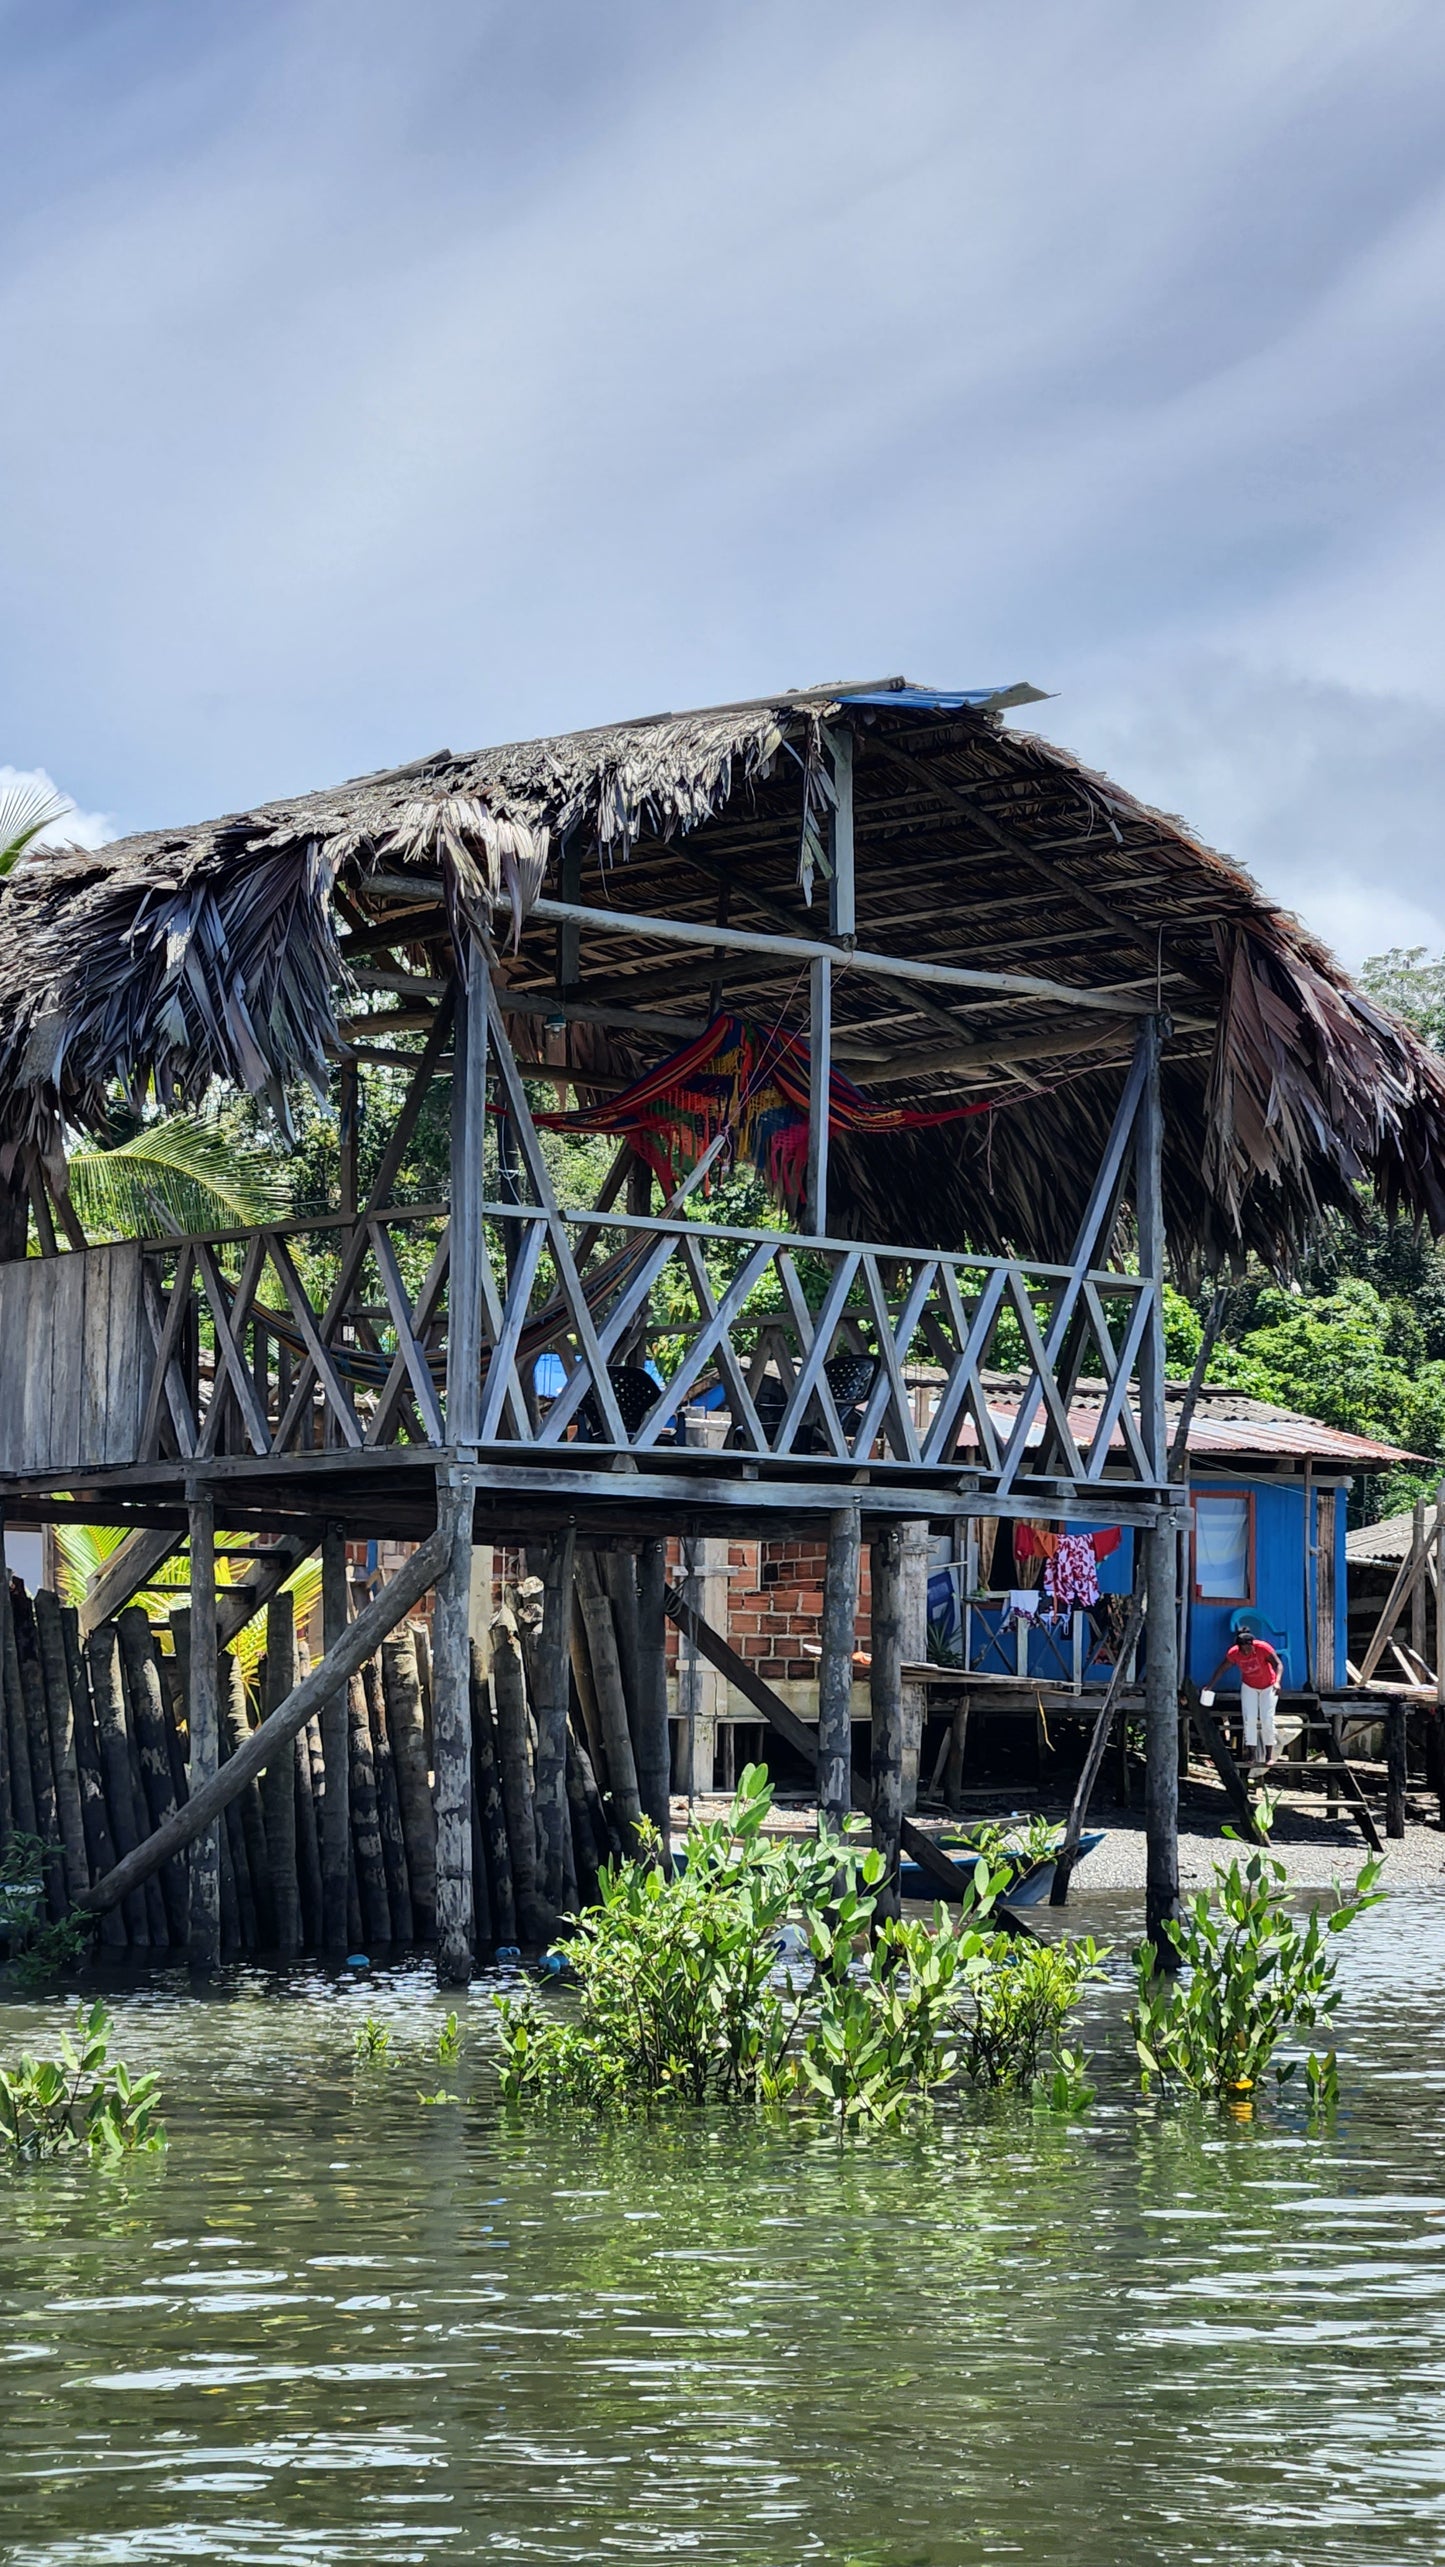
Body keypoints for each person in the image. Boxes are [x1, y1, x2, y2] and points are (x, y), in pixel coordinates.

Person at [1200, 1620, 1284, 1767]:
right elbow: (1222, 1669)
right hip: (1249, 1686)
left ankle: (1269, 1755)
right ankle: (1251, 1755)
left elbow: (1278, 1664)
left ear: (1252, 1644)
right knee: (1249, 1719)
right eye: (1242, 1650)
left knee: (1266, 1718)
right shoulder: (1234, 1653)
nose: (1245, 1652)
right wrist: (1210, 1686)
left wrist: (1277, 1681)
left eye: (1247, 1649)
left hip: (1268, 1686)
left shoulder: (1263, 1648)